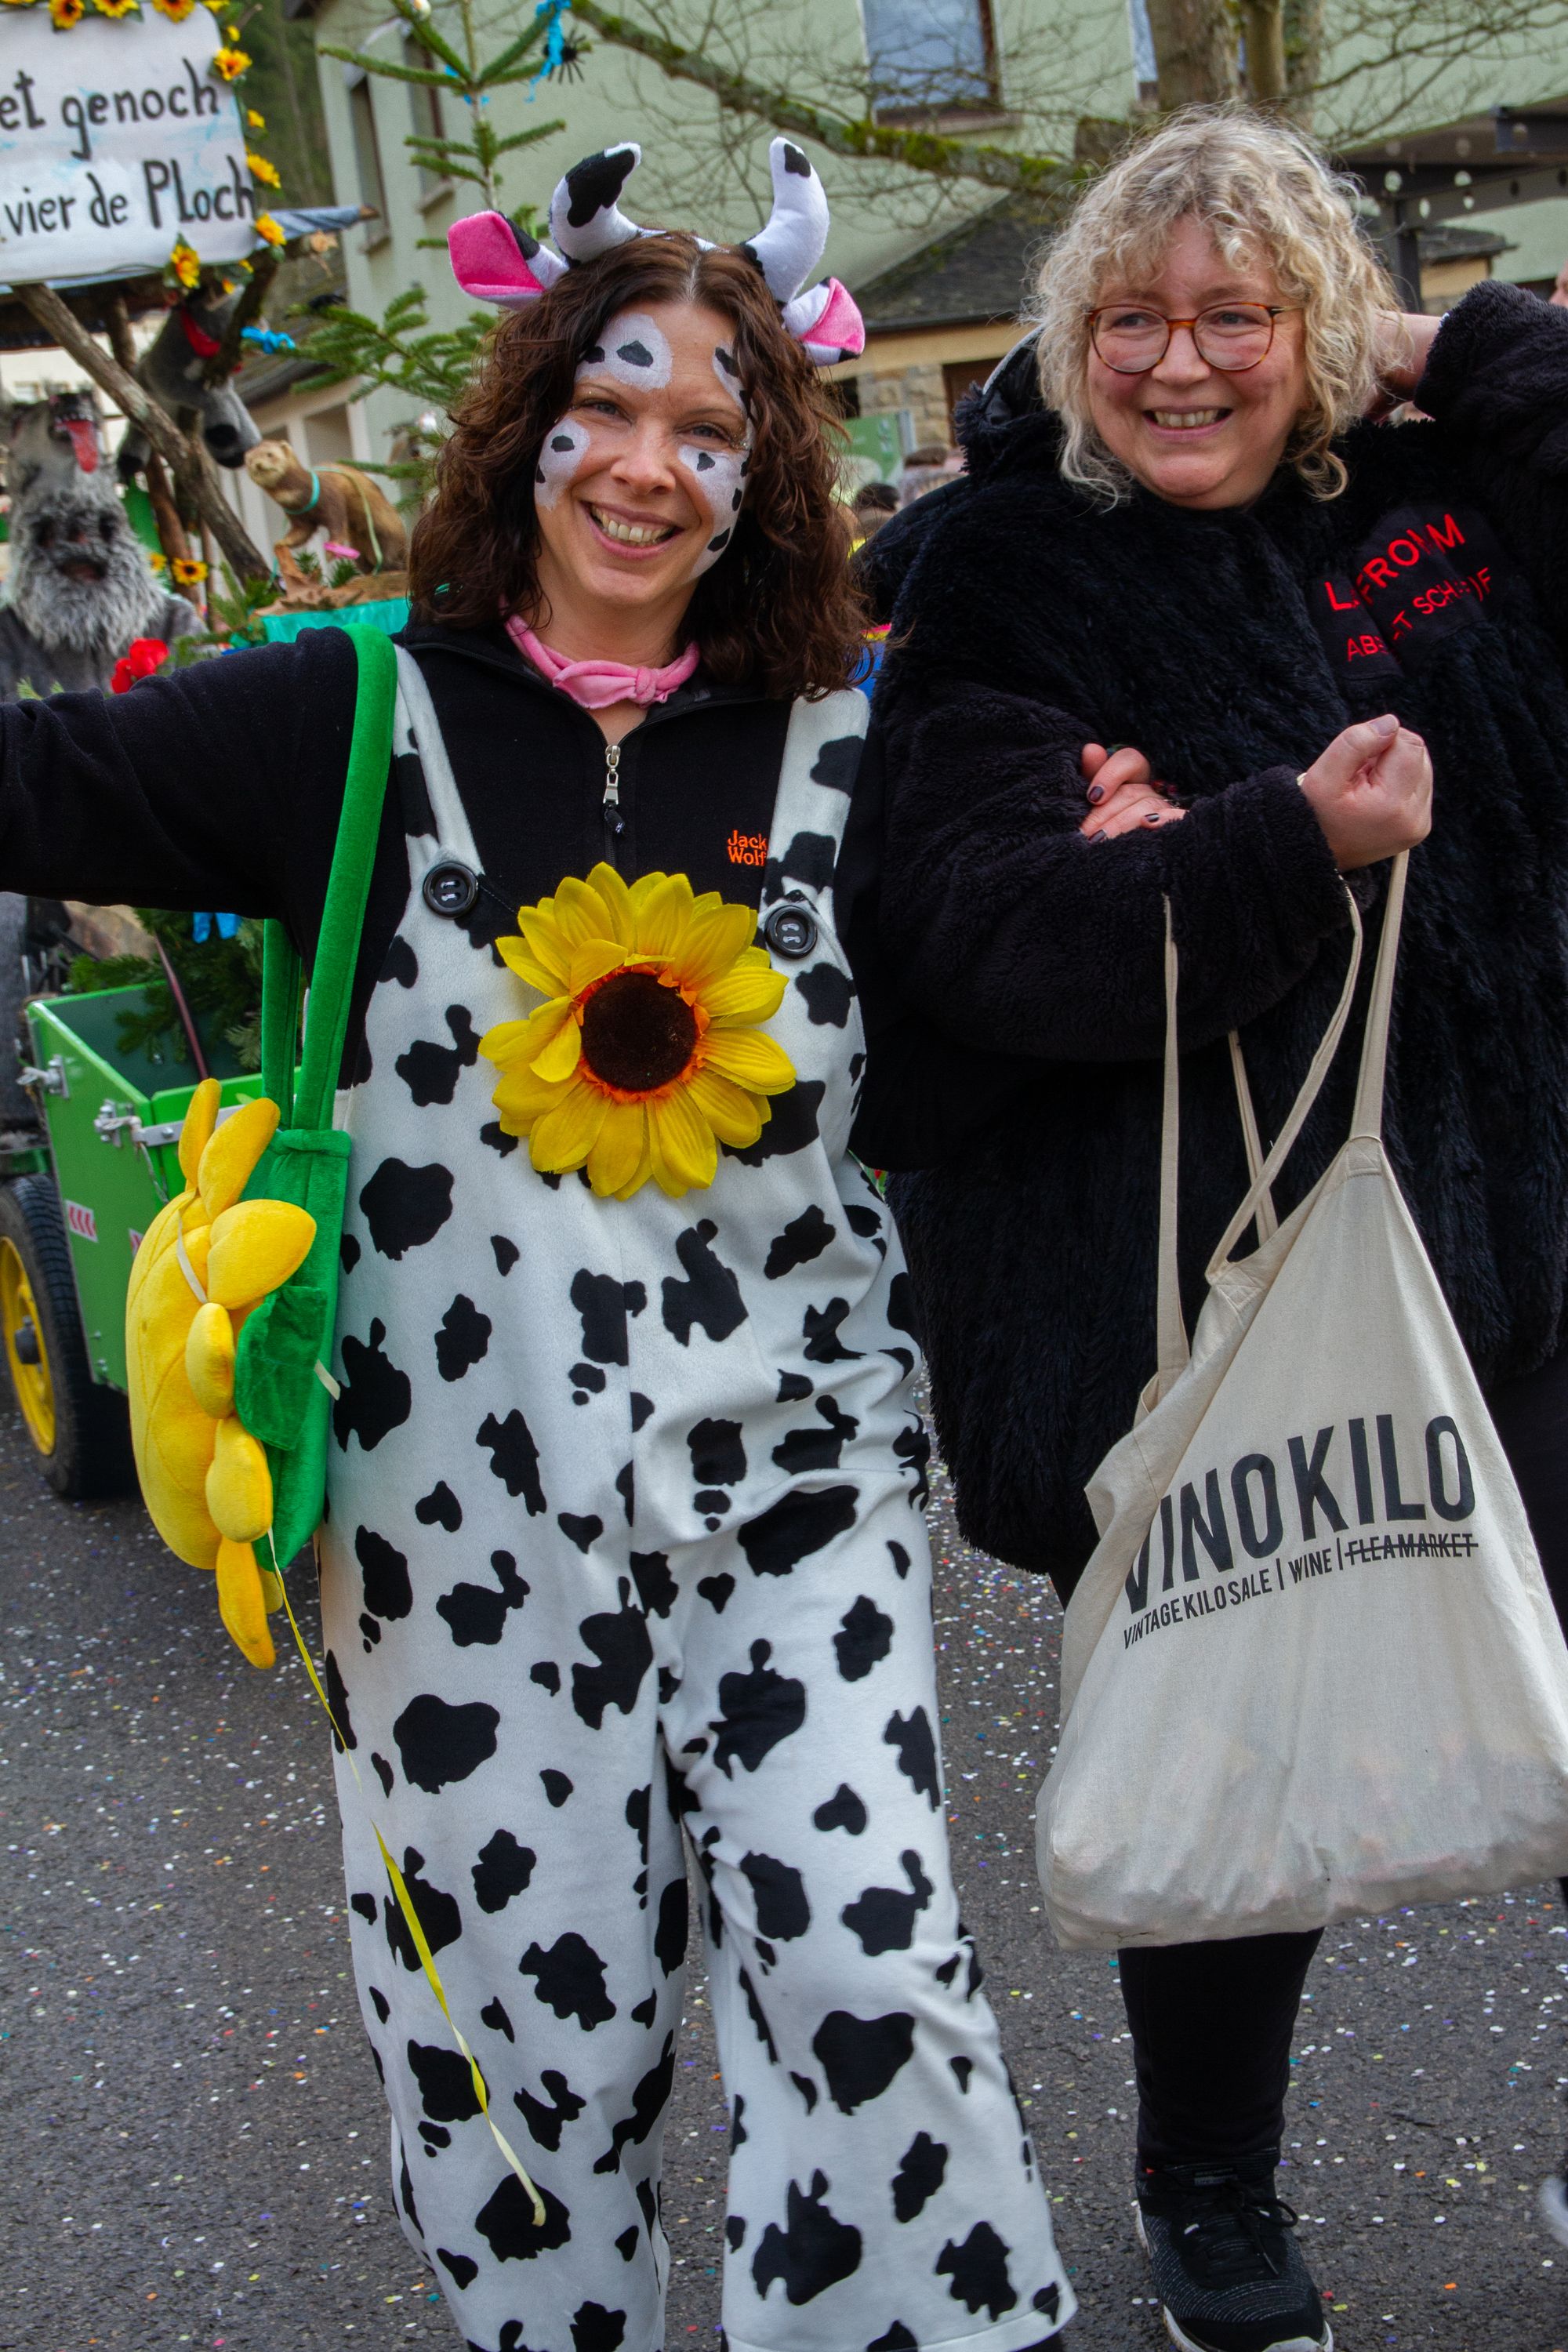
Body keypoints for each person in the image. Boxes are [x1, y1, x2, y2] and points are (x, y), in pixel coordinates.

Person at [0, 139, 1076, 2352]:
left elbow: (1053, 985)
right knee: (520, 2053)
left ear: (770, 476)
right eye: (611, 405)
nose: (651, 468)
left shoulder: (862, 744)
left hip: (794, 1495)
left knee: (872, 1966)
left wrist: (1240, 843)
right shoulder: (350, 716)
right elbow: (36, 789)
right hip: (445, 1535)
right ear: (527, 426)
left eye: (714, 429)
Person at [851, 105, 1568, 2352]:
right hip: (1195, 1291)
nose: (1183, 365)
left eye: (1238, 317)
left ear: (1318, 337)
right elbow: (969, 936)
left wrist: (1465, 330)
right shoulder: (1007, 567)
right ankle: (1210, 2193)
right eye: (1136, 320)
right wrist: (1272, 848)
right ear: (1073, 339)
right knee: (1240, 1750)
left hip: (1522, 1246)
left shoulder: (1440, 497)